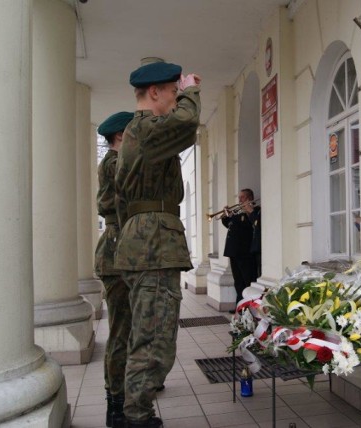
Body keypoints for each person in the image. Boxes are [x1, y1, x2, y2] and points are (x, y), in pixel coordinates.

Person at [114, 61, 201, 428]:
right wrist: (192, 91)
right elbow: (186, 124)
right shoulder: (146, 129)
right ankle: (137, 418)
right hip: (153, 246)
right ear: (155, 93)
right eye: (171, 92)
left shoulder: (140, 134)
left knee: (145, 337)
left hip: (143, 242)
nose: (175, 98)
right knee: (153, 343)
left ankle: (135, 412)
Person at [94, 111, 134, 428]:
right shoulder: (114, 162)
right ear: (120, 135)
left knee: (127, 329)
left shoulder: (114, 161)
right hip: (117, 253)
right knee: (120, 332)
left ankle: (123, 395)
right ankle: (115, 405)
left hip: (120, 250)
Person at [222, 189, 260, 310]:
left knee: (248, 280)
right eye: (239, 197)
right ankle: (240, 305)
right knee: (238, 281)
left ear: (249, 198)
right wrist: (226, 216)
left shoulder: (255, 211)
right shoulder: (238, 213)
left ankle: (249, 306)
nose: (239, 200)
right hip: (234, 252)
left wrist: (250, 212)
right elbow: (230, 225)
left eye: (242, 197)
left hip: (246, 253)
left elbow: (255, 225)